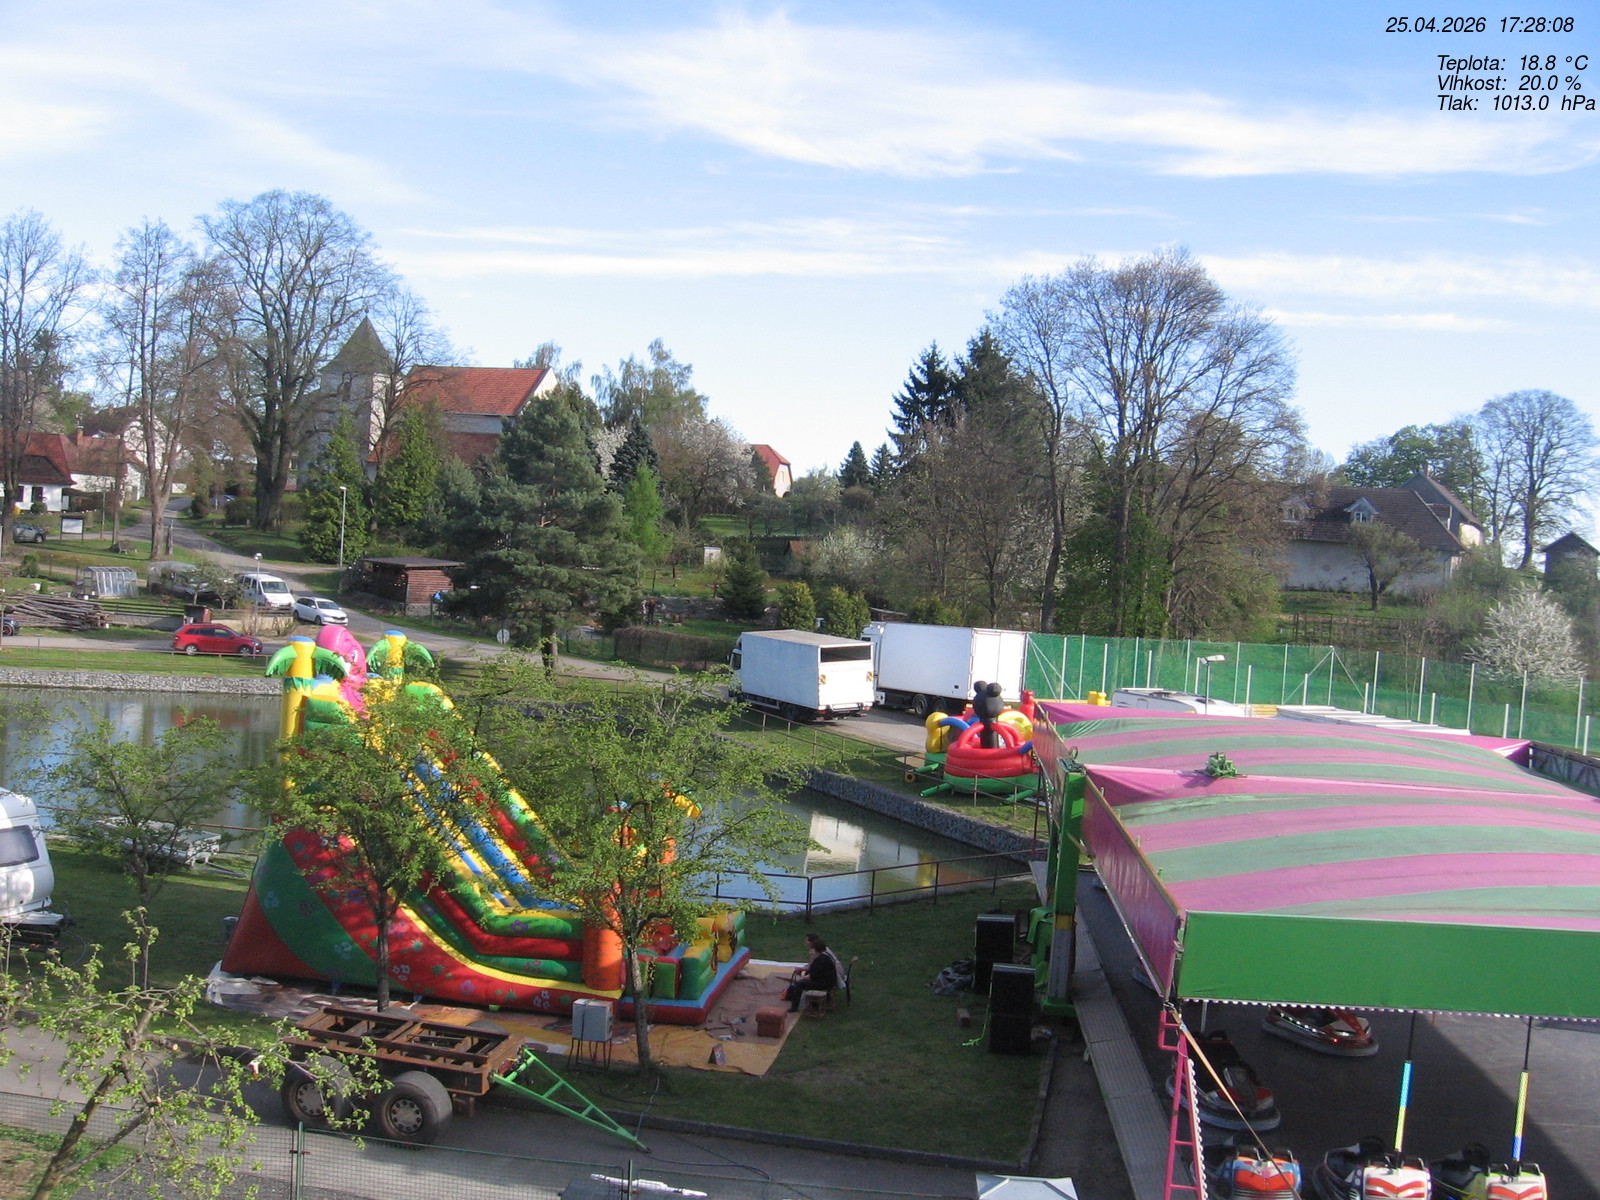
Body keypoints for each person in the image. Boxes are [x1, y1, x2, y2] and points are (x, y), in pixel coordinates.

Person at [784, 933, 841, 1011]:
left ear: (815, 949)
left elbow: (812, 975)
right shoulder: (825, 957)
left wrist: (803, 978)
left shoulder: (819, 960)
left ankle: (794, 1007)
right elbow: (815, 972)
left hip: (825, 984)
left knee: (799, 984)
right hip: (828, 981)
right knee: (802, 981)